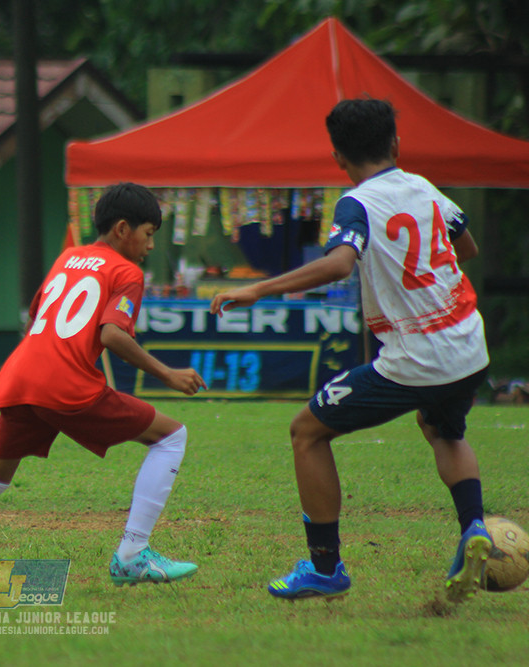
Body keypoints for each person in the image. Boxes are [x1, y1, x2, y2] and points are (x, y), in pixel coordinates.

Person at [210, 98, 491, 602]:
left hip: (416, 357)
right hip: (469, 347)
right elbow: (465, 247)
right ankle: (474, 528)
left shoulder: (356, 204)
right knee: (442, 429)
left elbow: (340, 264)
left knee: (306, 432)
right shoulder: (424, 189)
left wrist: (257, 289)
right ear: (396, 145)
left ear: (338, 156)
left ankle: (325, 568)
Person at [0, 182, 208, 593]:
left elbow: (35, 319)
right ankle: (133, 555)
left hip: (22, 376)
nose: (149, 246)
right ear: (123, 228)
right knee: (171, 437)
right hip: (65, 384)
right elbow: (112, 334)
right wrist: (167, 374)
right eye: (148, 234)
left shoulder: (69, 257)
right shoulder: (126, 272)